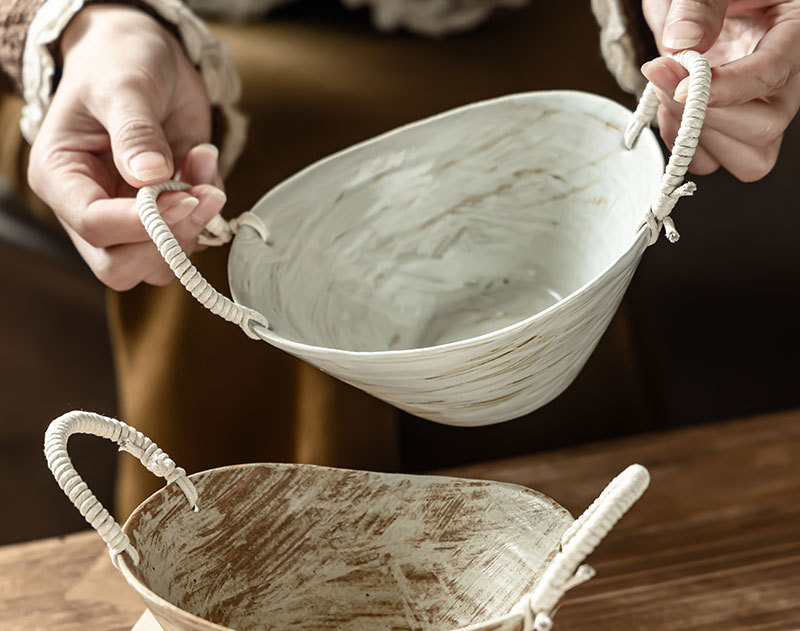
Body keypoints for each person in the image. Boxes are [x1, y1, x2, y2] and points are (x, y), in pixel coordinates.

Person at [1, 0, 799, 516]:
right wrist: (85, 28)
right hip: (156, 39)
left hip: (510, 18)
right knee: (234, 184)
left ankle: (554, 539)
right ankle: (259, 557)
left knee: (567, 156)